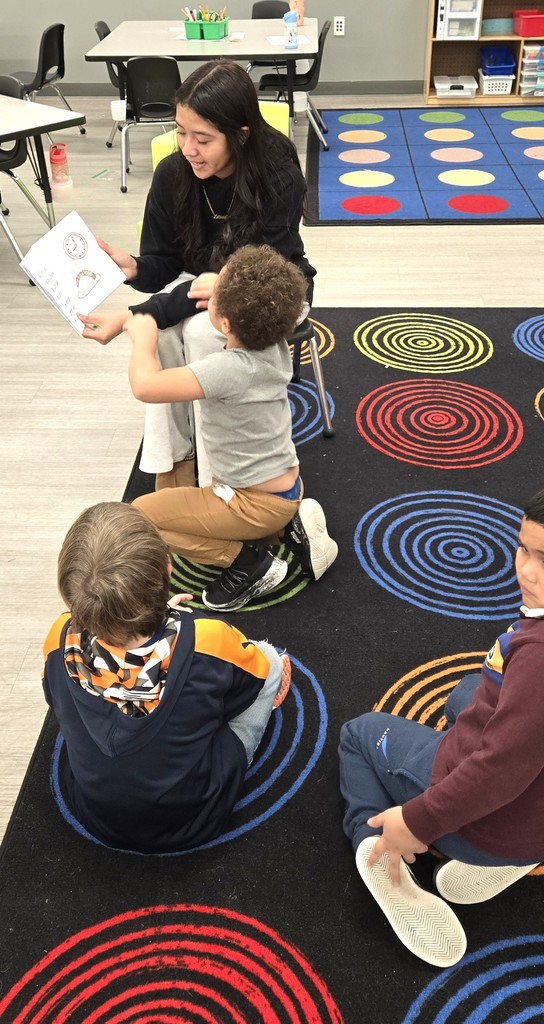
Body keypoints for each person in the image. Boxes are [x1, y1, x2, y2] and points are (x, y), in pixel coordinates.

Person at [339, 471, 544, 967]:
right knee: (465, 696)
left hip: (483, 826)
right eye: (524, 549)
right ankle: (516, 849)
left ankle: (375, 846)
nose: (526, 571)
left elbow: (498, 770)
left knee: (359, 734)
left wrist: (416, 823)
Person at [78, 59, 315, 490]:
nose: (188, 148)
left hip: (269, 288)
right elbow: (165, 263)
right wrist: (135, 268)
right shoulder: (174, 174)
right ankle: (175, 463)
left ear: (240, 135)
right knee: (169, 332)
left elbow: (245, 284)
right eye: (181, 131)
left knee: (206, 334)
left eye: (202, 139)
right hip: (203, 282)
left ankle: (220, 477)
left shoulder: (277, 173)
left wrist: (137, 315)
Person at [42, 502, 292, 854]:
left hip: (93, 811)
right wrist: (172, 624)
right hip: (195, 815)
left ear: (70, 595)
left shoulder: (56, 639)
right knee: (269, 663)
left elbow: (54, 695)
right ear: (169, 568)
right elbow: (251, 680)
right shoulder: (208, 639)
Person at [127, 243, 337, 612]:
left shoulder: (227, 369)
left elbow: (146, 386)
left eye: (216, 289)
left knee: (140, 517)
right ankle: (289, 526)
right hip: (286, 484)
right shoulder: (274, 344)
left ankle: (247, 563)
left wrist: (142, 336)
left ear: (223, 322)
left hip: (249, 502)